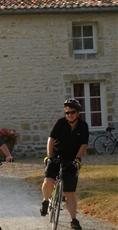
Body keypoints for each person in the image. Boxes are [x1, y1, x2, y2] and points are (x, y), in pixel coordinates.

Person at [40, 98, 89, 230]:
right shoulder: (60, 123)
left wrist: (78, 159)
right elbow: (51, 139)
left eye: (72, 112)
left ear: (78, 113)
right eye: (67, 112)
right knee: (49, 180)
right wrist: (49, 156)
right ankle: (45, 201)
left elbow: (84, 144)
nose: (69, 115)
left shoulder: (83, 126)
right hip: (56, 156)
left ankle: (74, 220)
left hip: (71, 160)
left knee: (70, 193)